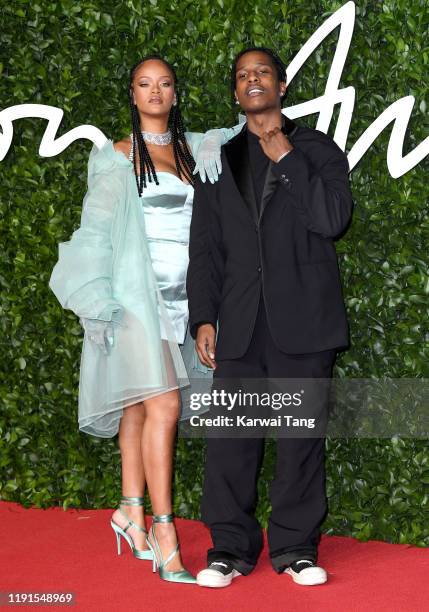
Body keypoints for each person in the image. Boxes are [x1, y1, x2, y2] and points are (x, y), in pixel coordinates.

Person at [49, 54, 241, 584]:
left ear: (175, 94)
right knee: (167, 405)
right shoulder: (115, 156)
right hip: (138, 300)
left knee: (137, 409)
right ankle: (164, 532)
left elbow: (248, 124)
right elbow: (94, 231)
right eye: (143, 84)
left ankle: (129, 511)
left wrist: (212, 140)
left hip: (184, 302)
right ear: (132, 95)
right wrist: (96, 300)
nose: (155, 92)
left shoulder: (192, 149)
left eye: (164, 84)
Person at [187, 46, 354, 587]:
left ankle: (296, 549)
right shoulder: (220, 156)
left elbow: (332, 219)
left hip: (303, 320)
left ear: (282, 87)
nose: (252, 80)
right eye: (242, 75)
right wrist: (203, 317)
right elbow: (206, 246)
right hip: (239, 320)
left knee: (300, 440)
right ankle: (229, 549)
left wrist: (287, 158)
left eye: (262, 73)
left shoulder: (318, 150)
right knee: (231, 443)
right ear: (236, 93)